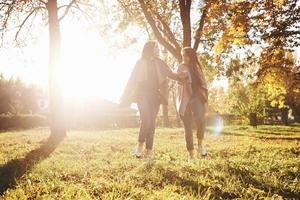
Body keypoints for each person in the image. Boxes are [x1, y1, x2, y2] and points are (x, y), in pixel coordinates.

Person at [120, 41, 184, 164]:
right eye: (156, 47)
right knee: (146, 120)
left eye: (158, 48)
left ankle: (148, 152)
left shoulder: (160, 63)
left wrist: (183, 77)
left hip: (155, 96)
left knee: (152, 125)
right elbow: (131, 79)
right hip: (142, 94)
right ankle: (140, 145)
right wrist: (125, 96)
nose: (158, 50)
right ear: (149, 49)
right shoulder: (140, 63)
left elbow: (171, 74)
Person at [176, 47, 208, 163]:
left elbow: (203, 83)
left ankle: (200, 145)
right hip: (185, 100)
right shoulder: (180, 67)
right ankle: (190, 154)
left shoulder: (197, 67)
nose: (184, 58)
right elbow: (178, 82)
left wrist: (204, 96)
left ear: (191, 56)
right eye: (183, 56)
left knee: (201, 120)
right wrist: (182, 77)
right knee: (188, 128)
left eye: (186, 56)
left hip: (197, 98)